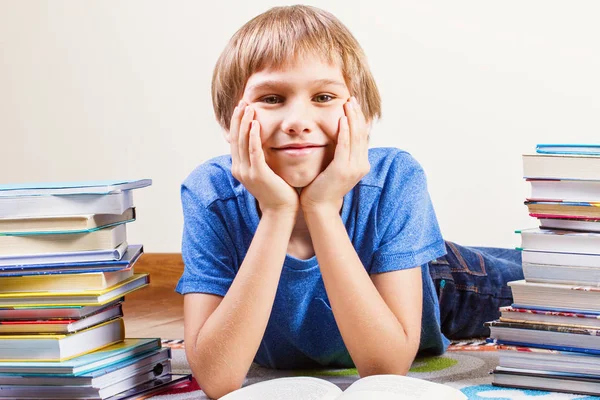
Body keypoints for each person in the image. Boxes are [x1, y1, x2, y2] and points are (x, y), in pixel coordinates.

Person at [176, 5, 523, 398]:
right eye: (272, 98)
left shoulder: (394, 177)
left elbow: (386, 370)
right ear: (228, 121)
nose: (297, 120)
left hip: (445, 283)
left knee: (564, 284)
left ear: (364, 118)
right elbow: (217, 379)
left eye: (323, 96)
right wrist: (278, 211)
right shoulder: (209, 194)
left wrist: (322, 209)